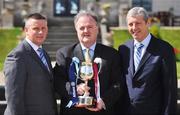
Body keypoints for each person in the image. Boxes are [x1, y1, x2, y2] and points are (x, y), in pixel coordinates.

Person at [54, 10, 122, 115]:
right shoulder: (64, 54)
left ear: (97, 29)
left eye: (90, 27)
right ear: (76, 30)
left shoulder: (112, 54)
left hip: (102, 111)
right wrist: (74, 89)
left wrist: (104, 101)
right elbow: (58, 81)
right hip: (73, 112)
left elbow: (119, 83)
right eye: (82, 28)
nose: (86, 31)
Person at [118, 7, 177, 114]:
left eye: (138, 23)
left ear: (147, 23)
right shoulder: (123, 49)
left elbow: (170, 88)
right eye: (130, 24)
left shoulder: (164, 49)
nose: (134, 27)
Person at [3, 13, 57, 115]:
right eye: (36, 28)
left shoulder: (44, 53)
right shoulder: (17, 56)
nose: (41, 32)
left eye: (43, 28)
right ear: (26, 30)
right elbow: (14, 98)